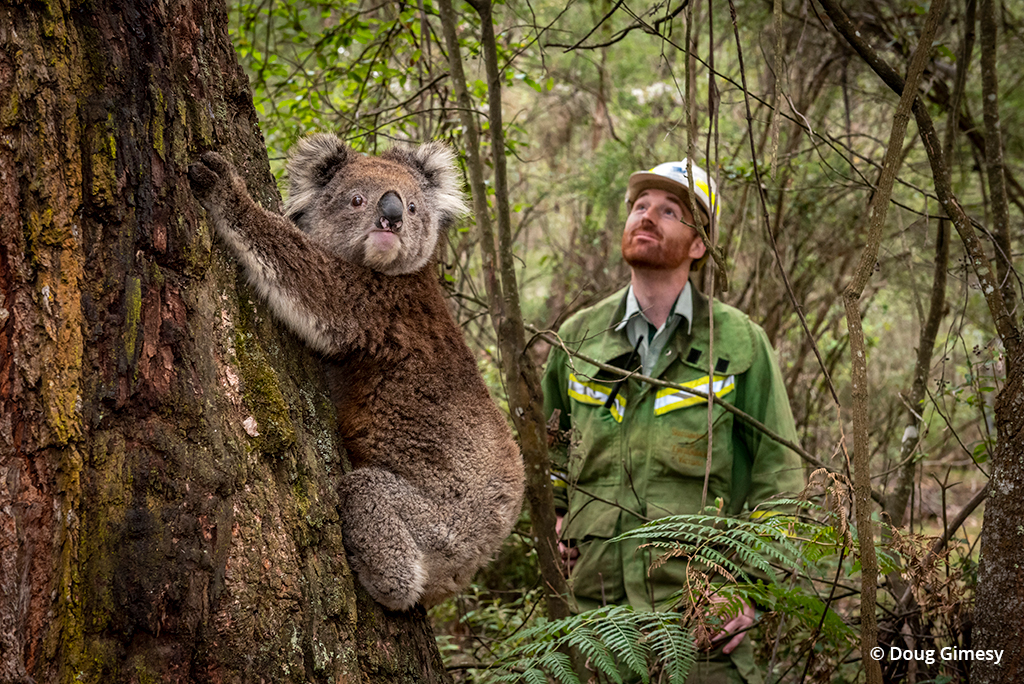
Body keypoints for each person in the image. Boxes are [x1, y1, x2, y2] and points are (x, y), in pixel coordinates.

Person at [541, 159, 805, 684]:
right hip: (598, 625)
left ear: (699, 244)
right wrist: (557, 515)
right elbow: (549, 446)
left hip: (702, 626)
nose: (647, 217)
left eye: (669, 211)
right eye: (640, 207)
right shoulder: (578, 338)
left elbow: (782, 482)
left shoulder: (738, 342)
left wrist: (750, 593)